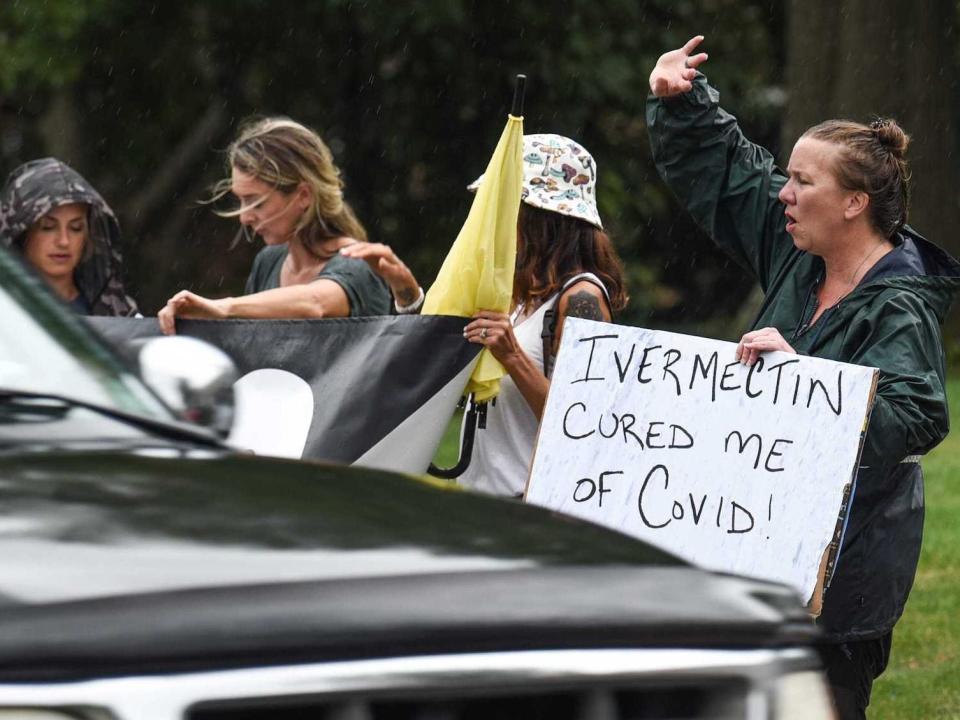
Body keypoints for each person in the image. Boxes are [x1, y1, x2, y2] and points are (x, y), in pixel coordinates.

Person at [647, 36, 960, 719]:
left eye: (803, 182)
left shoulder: (900, 305)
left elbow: (916, 414)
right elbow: (733, 178)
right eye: (788, 178)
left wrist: (804, 380)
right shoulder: (800, 255)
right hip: (755, 564)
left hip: (840, 586)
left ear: (853, 204)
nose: (784, 194)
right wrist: (683, 102)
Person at [158, 118, 419, 333]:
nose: (244, 218)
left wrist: (223, 308)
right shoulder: (269, 261)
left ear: (303, 196)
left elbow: (315, 304)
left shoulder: (359, 261)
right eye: (240, 201)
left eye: (256, 203)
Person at [0, 157, 139, 316]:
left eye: (76, 228)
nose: (64, 241)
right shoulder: (5, 313)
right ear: (22, 232)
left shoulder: (118, 312)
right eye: (48, 227)